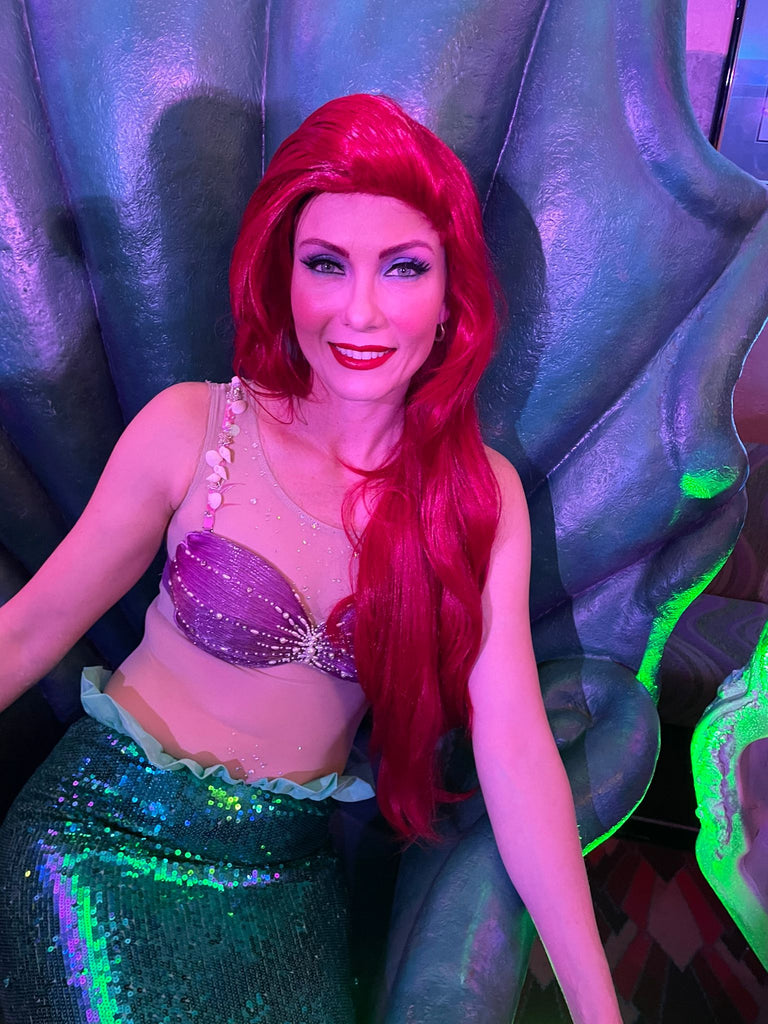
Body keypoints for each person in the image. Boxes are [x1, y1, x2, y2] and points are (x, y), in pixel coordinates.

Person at [0, 94, 620, 1023]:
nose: (359, 311)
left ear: (450, 295)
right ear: (281, 277)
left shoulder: (474, 497)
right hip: (100, 846)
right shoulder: (193, 428)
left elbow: (517, 748)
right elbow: (29, 631)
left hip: (285, 880)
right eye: (326, 264)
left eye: (404, 267)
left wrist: (597, 1007)